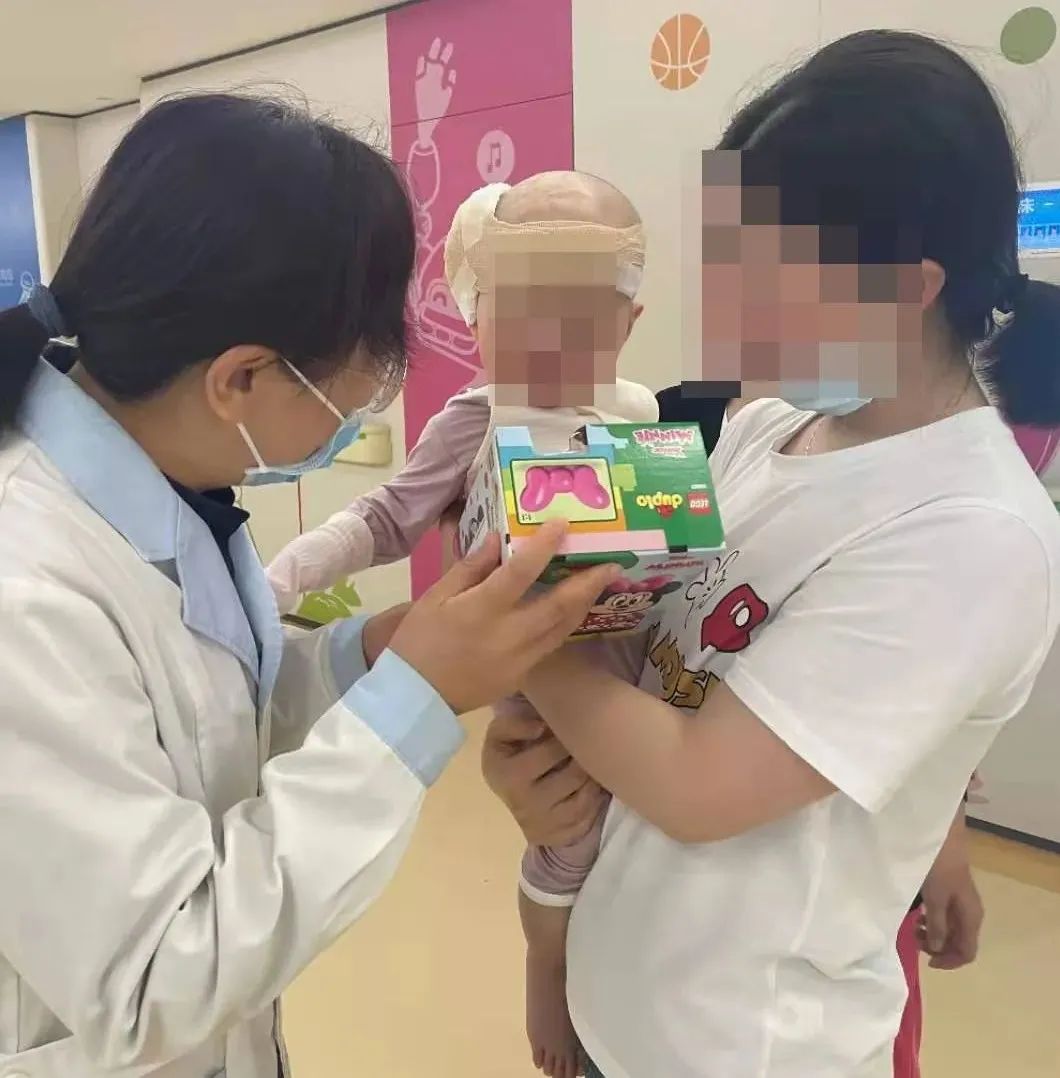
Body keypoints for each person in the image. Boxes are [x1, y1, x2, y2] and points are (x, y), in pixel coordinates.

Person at [0, 93, 618, 1078]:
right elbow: (158, 975)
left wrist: (373, 653)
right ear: (240, 379)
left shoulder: (170, 488)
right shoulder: (25, 588)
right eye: (359, 389)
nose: (361, 416)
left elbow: (211, 716)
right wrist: (412, 700)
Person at [481, 31, 1060, 1078]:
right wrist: (539, 777)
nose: (731, 310)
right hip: (624, 998)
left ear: (906, 284)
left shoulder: (976, 530)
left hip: (745, 1046)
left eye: (766, 275)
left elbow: (697, 784)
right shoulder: (762, 429)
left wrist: (517, 636)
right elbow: (642, 658)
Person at [266, 170, 656, 1078]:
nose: (549, 336)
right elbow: (385, 517)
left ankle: (607, 976)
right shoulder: (477, 419)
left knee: (635, 846)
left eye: (580, 310)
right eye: (523, 308)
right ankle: (545, 965)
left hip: (640, 675)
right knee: (570, 832)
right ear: (480, 318)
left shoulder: (641, 416)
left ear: (627, 324)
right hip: (536, 692)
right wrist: (278, 578)